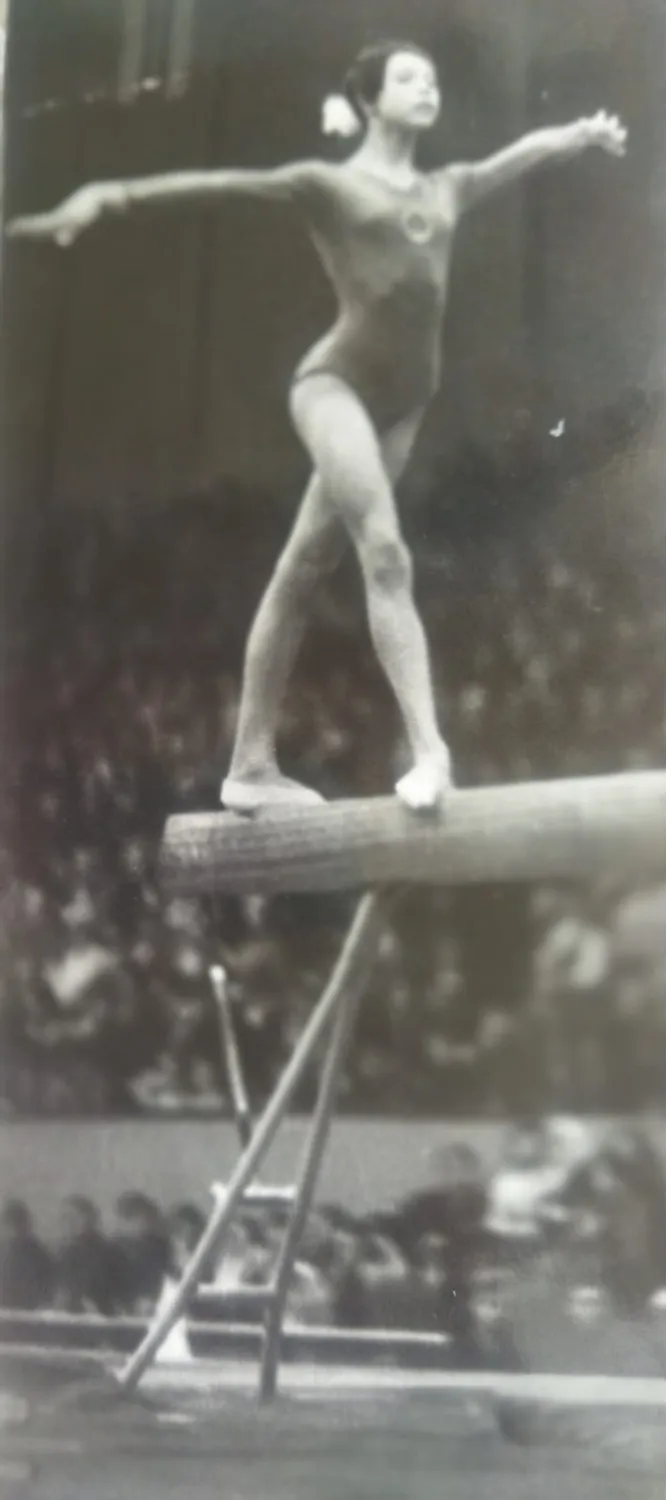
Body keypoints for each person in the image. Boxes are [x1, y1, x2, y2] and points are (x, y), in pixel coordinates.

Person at [9, 41, 627, 812]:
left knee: (301, 569)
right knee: (385, 550)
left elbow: (519, 157)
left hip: (404, 402)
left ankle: (249, 767)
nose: (426, 88)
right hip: (336, 386)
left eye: (432, 78)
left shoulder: (447, 186)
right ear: (369, 99)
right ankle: (431, 754)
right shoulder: (328, 185)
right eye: (408, 78)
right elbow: (221, 185)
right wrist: (111, 195)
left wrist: (577, 134)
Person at [0, 1198, 54, 1311]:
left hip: (30, 1310)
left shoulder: (39, 1254)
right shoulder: (4, 1250)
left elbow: (46, 1288)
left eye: (16, 1225)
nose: (12, 1231)